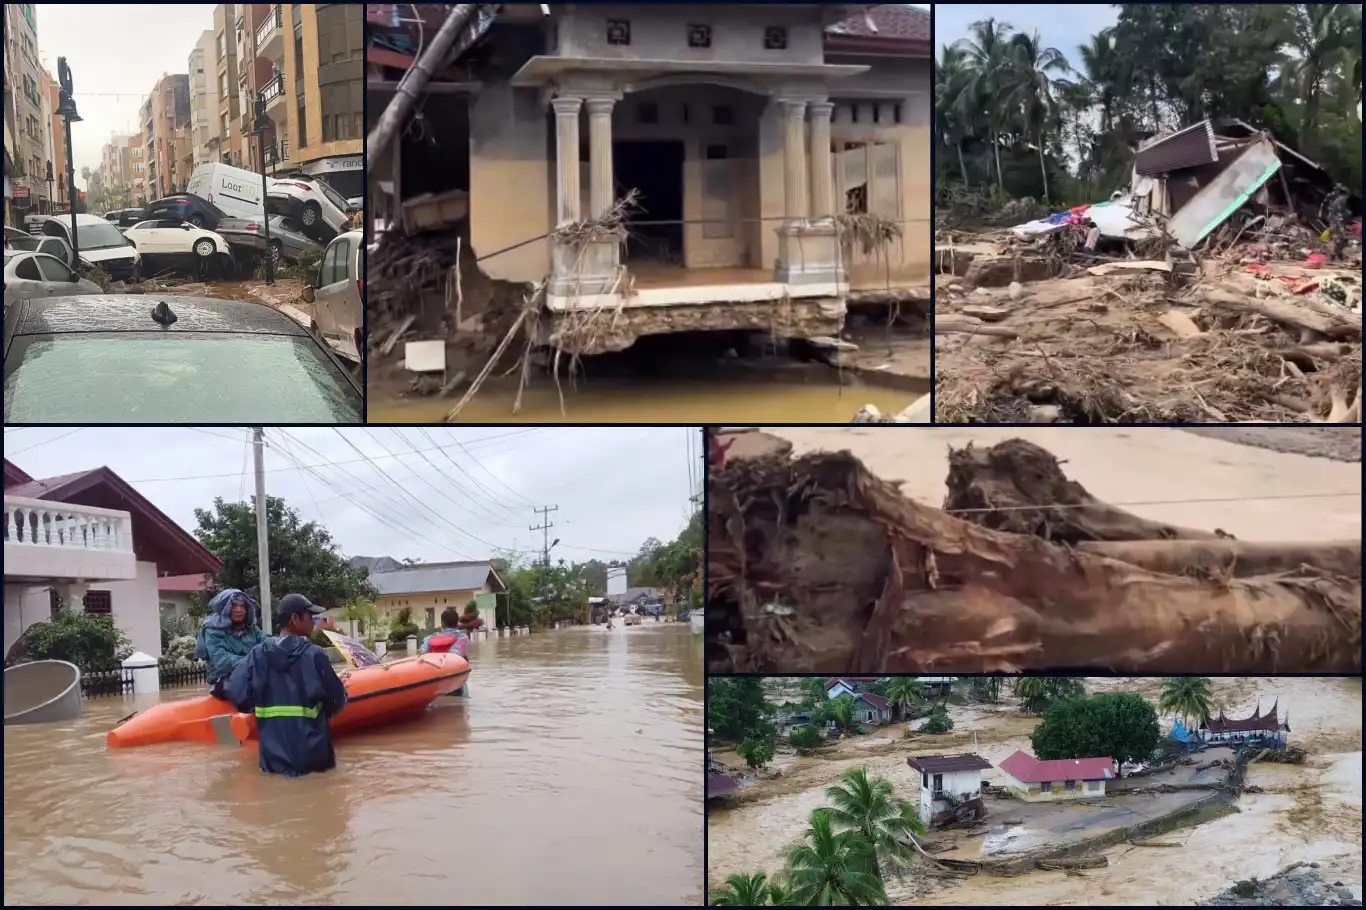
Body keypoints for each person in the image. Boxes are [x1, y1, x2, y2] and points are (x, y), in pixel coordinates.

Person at [225, 593, 349, 777]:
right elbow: (337, 701)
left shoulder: (257, 654)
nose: (313, 622)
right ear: (295, 619)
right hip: (313, 760)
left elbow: (236, 692)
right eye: (309, 616)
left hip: (272, 761)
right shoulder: (315, 655)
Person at [195, 589, 267, 699]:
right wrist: (252, 662)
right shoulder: (213, 630)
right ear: (225, 608)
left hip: (251, 676)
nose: (239, 610)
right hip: (223, 680)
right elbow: (222, 660)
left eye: (242, 606)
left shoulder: (252, 630)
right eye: (234, 606)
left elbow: (267, 646)